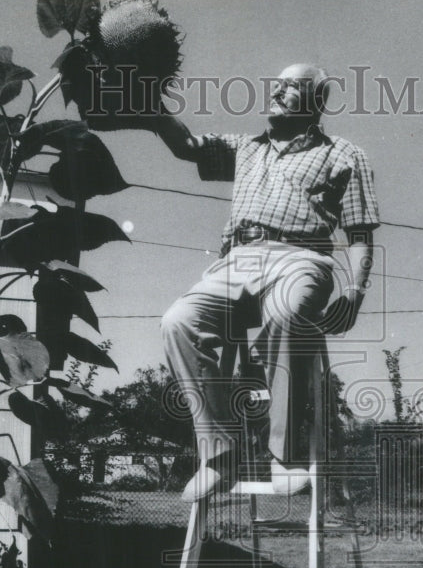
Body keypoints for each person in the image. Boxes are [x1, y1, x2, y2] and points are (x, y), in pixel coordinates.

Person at [153, 64, 380, 501]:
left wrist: (355, 291)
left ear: (314, 103)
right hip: (236, 260)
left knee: (290, 310)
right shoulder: (246, 148)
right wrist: (149, 108)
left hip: (300, 255)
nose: (276, 90)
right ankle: (221, 453)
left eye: (291, 87)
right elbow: (184, 146)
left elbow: (360, 234)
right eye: (274, 84)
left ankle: (286, 453)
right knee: (177, 321)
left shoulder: (343, 154)